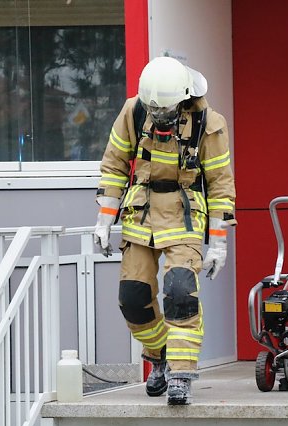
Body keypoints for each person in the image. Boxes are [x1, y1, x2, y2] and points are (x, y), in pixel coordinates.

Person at [93, 57, 236, 405]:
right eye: (153, 109)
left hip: (184, 216)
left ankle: (181, 374)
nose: (158, 115)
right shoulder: (133, 111)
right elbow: (114, 164)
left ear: (185, 98)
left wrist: (218, 244)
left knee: (181, 293)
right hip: (140, 214)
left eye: (165, 109)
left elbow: (220, 184)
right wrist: (104, 220)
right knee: (132, 298)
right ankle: (158, 355)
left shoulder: (209, 124)